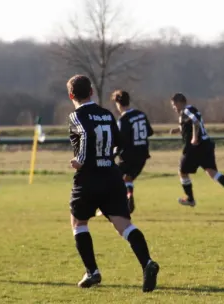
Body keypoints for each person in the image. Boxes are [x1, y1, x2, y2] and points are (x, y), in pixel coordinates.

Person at [66, 75, 159, 292]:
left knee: (79, 223)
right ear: (91, 92)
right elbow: (119, 143)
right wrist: (105, 156)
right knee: (124, 226)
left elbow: (86, 135)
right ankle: (147, 263)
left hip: (88, 178)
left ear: (71, 95)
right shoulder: (107, 114)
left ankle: (92, 271)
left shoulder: (76, 116)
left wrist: (80, 159)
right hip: (111, 175)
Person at [169, 93, 224, 208]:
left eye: (174, 105)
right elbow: (191, 123)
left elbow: (196, 123)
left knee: (182, 172)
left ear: (179, 102)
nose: (173, 108)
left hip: (195, 146)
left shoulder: (186, 111)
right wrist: (178, 130)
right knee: (212, 172)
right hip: (206, 144)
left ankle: (190, 199)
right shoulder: (192, 109)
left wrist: (194, 137)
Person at [110, 90, 154, 214]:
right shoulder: (141, 114)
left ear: (118, 103)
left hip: (129, 156)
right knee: (128, 178)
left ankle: (113, 205)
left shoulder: (123, 120)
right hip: (143, 155)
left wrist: (112, 155)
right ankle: (129, 195)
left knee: (112, 178)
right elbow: (150, 132)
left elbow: (120, 141)